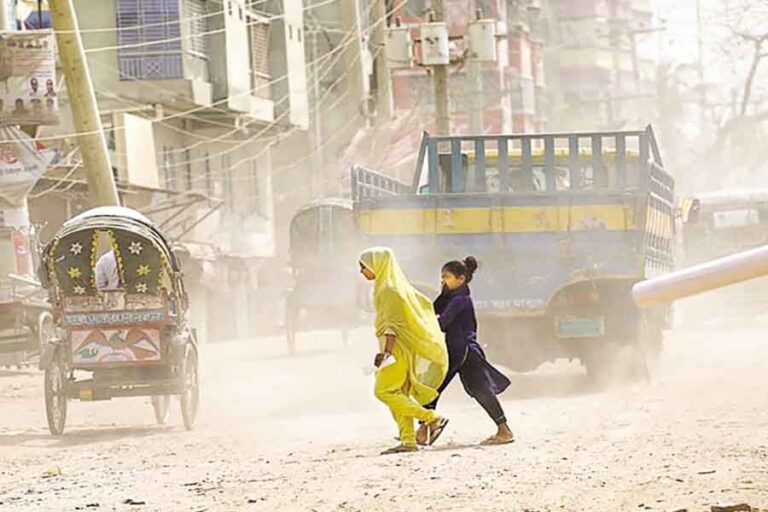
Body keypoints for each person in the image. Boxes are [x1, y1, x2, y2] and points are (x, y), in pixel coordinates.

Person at [359, 247, 450, 454]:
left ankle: (433, 418)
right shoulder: (389, 288)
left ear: (377, 264)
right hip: (397, 349)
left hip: (396, 350)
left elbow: (393, 326)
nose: (362, 271)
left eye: (364, 266)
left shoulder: (389, 291)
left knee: (383, 391)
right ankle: (408, 441)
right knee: (399, 394)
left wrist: (387, 353)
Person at [416, 257, 515, 446]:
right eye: (442, 277)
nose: (443, 280)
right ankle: (504, 429)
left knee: (434, 385)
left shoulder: (460, 300)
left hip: (462, 349)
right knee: (480, 390)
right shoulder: (452, 297)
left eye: (447, 277)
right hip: (463, 350)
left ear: (460, 279)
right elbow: (433, 309)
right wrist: (441, 294)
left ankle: (425, 428)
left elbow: (442, 322)